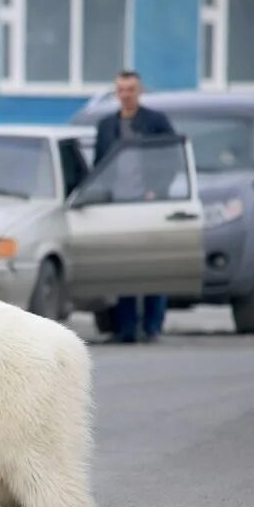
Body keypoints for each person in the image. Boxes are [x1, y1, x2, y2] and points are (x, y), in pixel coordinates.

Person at [94, 70, 176, 343]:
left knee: (154, 267)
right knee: (124, 268)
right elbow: (99, 166)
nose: (126, 95)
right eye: (121, 90)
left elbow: (171, 159)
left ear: (139, 91)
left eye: (130, 89)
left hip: (150, 204)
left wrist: (157, 190)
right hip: (118, 206)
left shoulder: (155, 122)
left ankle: (153, 326)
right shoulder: (107, 126)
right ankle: (126, 328)